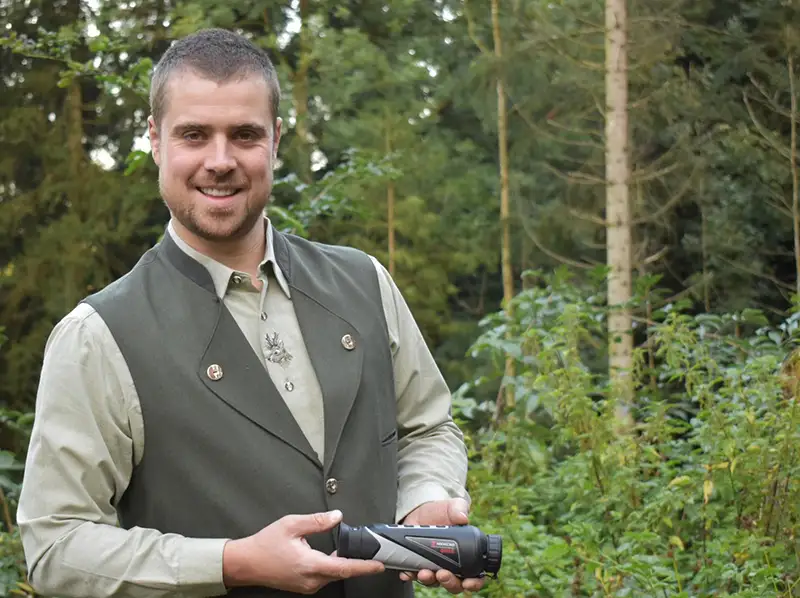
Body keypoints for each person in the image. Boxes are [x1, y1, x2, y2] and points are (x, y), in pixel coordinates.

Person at [16, 27, 486, 598]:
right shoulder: (98, 337)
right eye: (193, 134)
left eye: (244, 135)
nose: (220, 161)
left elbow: (427, 427)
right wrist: (229, 562)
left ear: (276, 141)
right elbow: (56, 547)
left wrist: (426, 498)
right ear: (155, 141)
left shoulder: (365, 283)